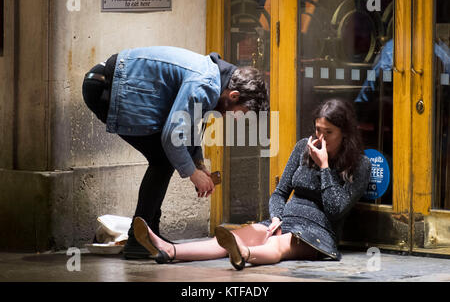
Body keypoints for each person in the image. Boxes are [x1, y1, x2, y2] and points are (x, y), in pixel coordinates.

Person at [132, 99, 372, 269]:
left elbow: (335, 209)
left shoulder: (361, 165)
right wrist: (277, 217)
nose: (319, 138)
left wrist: (324, 167)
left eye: (328, 133)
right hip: (285, 220)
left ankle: (244, 256)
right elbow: (280, 193)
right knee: (230, 238)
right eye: (317, 130)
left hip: (318, 233)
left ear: (345, 133)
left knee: (279, 245)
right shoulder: (302, 147)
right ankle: (168, 250)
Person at [82, 46, 268, 259]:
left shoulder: (215, 79)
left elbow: (186, 125)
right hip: (105, 86)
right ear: (233, 95)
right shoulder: (205, 85)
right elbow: (172, 135)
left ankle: (147, 234)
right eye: (240, 114)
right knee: (162, 159)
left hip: (110, 81)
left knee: (163, 159)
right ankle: (139, 237)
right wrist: (192, 173)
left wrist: (198, 164)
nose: (234, 119)